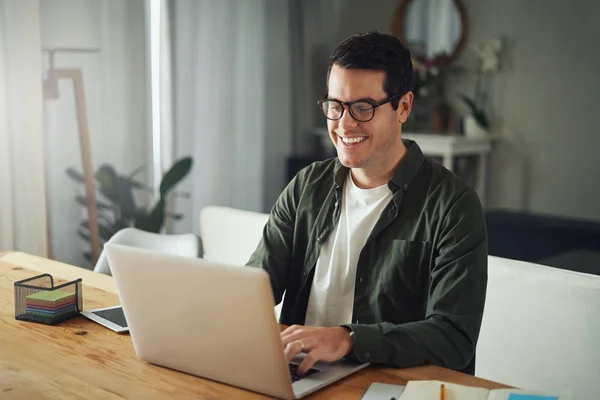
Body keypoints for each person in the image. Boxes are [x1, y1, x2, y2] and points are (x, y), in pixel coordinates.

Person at [247, 31, 487, 377]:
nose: (344, 124)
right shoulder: (306, 186)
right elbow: (258, 284)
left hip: (385, 383)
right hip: (299, 376)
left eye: (363, 107)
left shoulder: (453, 205)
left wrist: (348, 339)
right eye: (335, 106)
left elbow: (453, 337)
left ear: (403, 107)